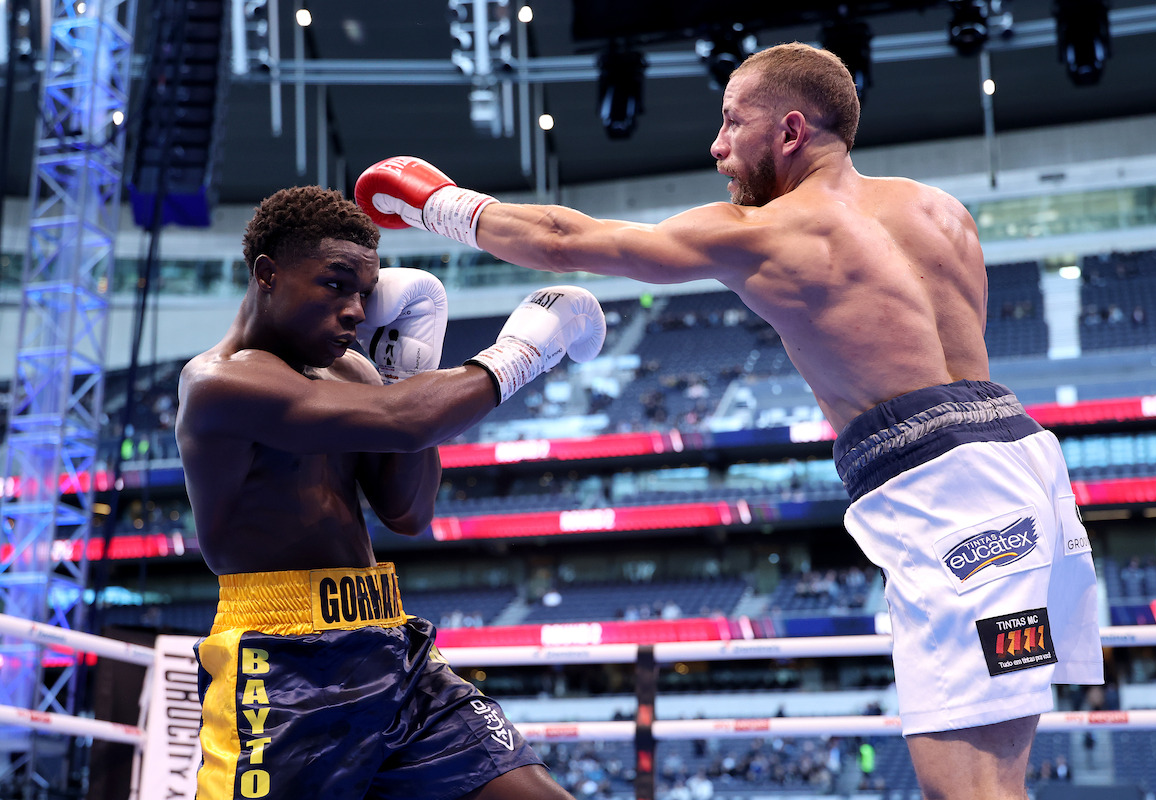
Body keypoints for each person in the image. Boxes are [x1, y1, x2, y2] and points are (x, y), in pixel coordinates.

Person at [353, 40, 1105, 800]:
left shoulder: (771, 232)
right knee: (1001, 774)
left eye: (729, 122)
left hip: (949, 505)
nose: (716, 146)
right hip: (1025, 474)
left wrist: (432, 202)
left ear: (789, 131)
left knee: (964, 787)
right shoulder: (939, 209)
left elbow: (562, 238)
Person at [175, 185, 604, 800]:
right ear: (268, 274)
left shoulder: (350, 372)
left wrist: (408, 373)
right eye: (334, 283)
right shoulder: (220, 381)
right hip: (283, 662)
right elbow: (408, 421)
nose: (354, 309)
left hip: (389, 642)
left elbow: (408, 512)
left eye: (364, 292)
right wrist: (522, 352)